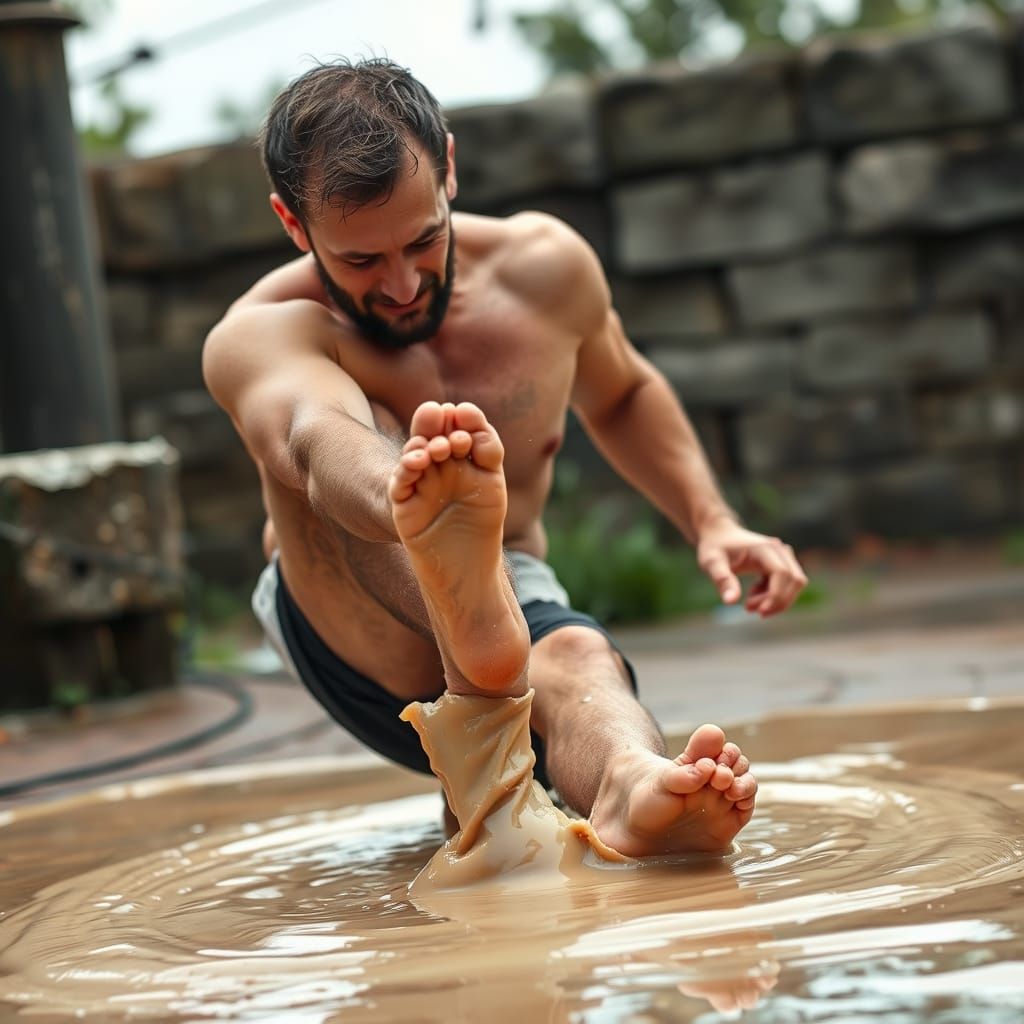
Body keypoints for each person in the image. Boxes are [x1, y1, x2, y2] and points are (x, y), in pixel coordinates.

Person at [202, 58, 808, 858]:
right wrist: (408, 496)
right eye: (359, 261)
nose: (402, 283)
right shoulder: (258, 333)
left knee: (576, 656)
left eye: (422, 241)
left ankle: (631, 784)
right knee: (371, 429)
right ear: (292, 224)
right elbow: (315, 438)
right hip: (349, 620)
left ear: (448, 169)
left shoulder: (545, 270)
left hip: (511, 594)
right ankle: (452, 574)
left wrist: (711, 517)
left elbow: (622, 392)